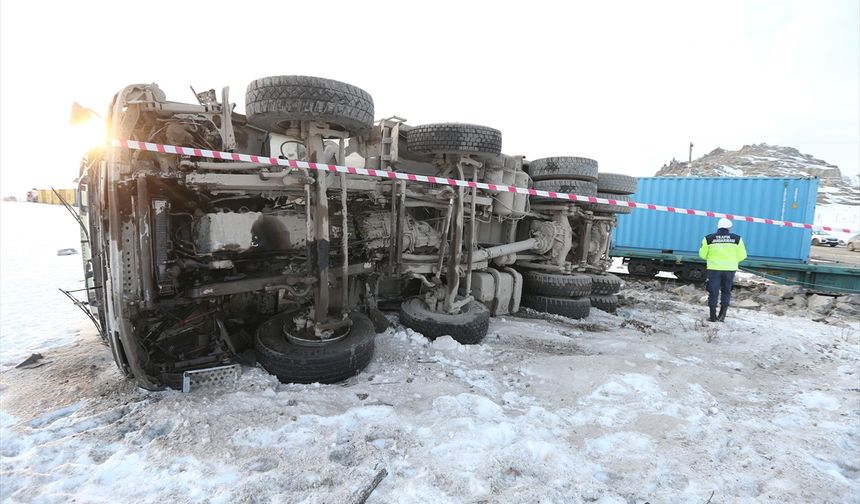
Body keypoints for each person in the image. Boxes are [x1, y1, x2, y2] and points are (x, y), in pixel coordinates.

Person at [698, 218, 747, 322]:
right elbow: (743, 255)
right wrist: (732, 260)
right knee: (726, 291)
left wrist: (712, 259)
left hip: (714, 269)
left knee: (713, 292)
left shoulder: (708, 238)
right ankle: (722, 316)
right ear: (729, 227)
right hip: (730, 269)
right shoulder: (737, 239)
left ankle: (712, 316)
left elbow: (702, 254)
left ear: (718, 226)